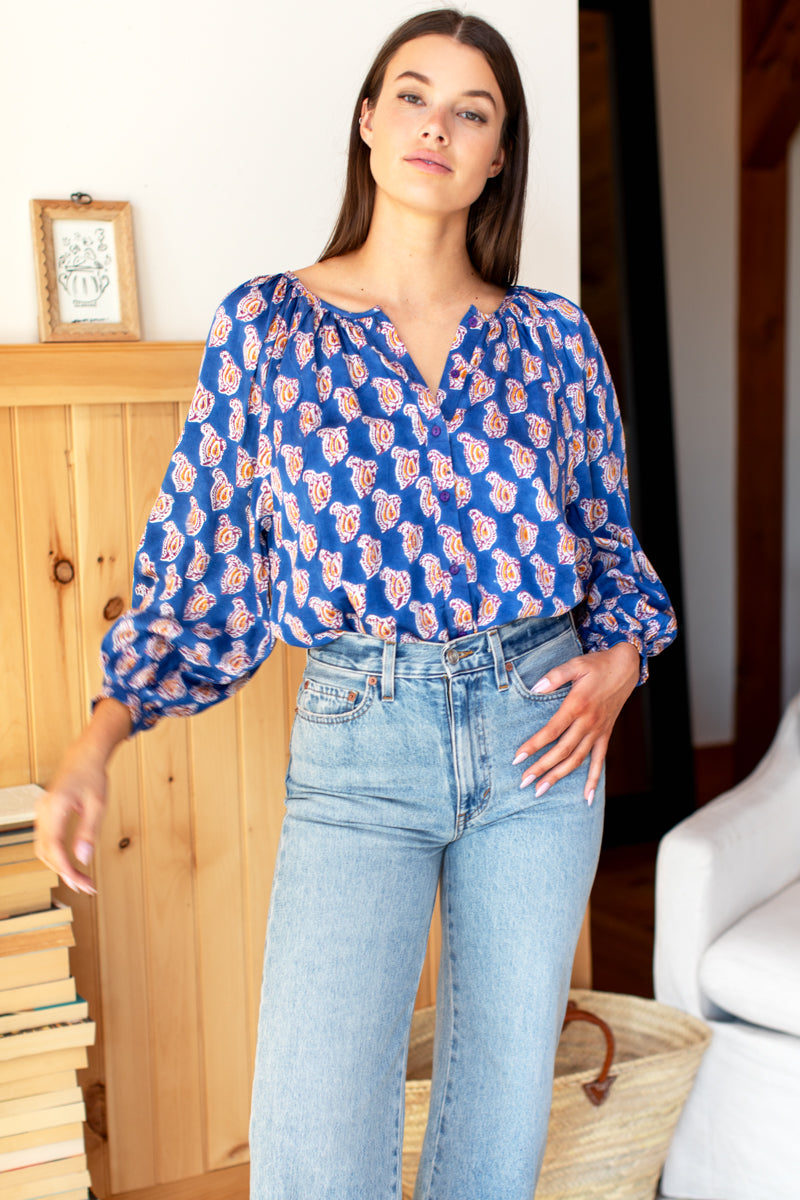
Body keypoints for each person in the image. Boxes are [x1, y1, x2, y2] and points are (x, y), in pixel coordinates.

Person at [36, 9, 676, 1199]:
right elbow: (202, 571)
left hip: (537, 735)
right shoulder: (268, 326)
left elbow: (604, 546)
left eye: (471, 111)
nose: (437, 125)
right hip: (358, 738)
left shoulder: (553, 340)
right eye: (413, 95)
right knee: (313, 1140)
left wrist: (622, 663)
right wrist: (99, 738)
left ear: (496, 155)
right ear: (369, 121)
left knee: (496, 1125)